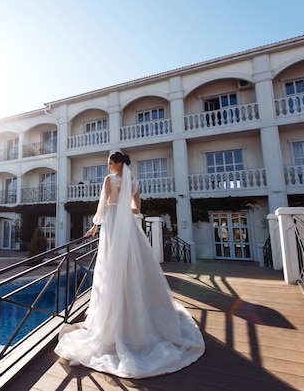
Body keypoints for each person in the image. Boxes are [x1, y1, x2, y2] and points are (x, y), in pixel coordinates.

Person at [54, 151, 205, 378]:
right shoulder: (134, 183)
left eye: (109, 163)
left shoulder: (108, 181)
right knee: (131, 266)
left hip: (113, 225)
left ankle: (113, 316)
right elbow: (136, 209)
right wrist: (124, 204)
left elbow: (103, 204)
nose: (108, 167)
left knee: (110, 267)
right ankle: (134, 314)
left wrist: (95, 226)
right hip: (128, 226)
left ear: (117, 164)